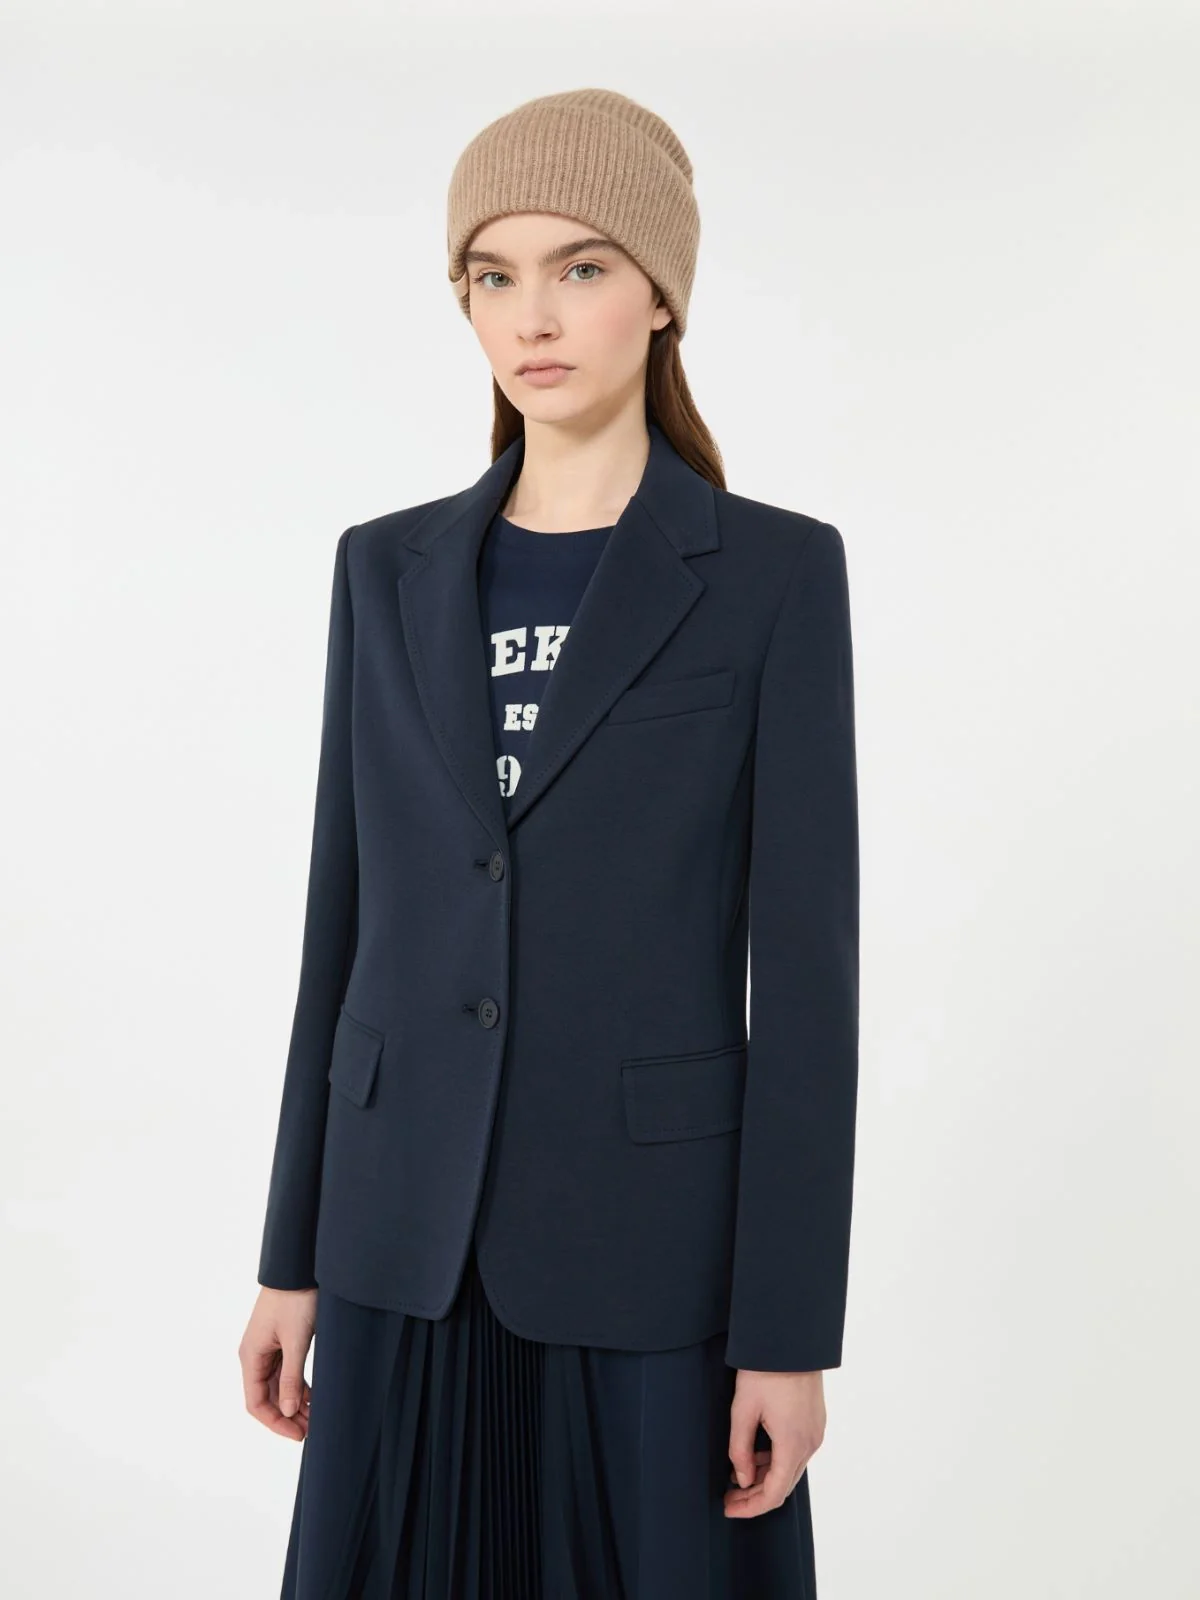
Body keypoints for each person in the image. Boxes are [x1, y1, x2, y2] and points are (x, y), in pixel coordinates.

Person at [238, 87, 861, 1599]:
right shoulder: (383, 569)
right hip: (401, 1240)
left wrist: (788, 1337)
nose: (534, 315)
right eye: (494, 275)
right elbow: (343, 928)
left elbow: (809, 989)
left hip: (645, 1249)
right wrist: (290, 1251)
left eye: (582, 268)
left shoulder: (772, 575)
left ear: (661, 296)